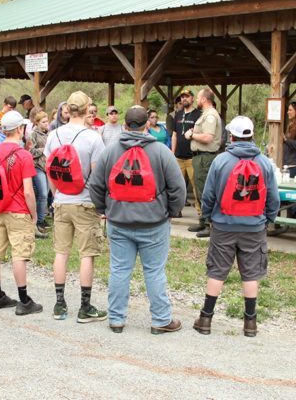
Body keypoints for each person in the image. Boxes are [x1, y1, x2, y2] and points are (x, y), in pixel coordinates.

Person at [89, 106, 186, 334]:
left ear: (124, 125)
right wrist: (171, 211)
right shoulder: (161, 152)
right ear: (147, 126)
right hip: (154, 222)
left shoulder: (110, 151)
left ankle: (116, 319)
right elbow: (178, 188)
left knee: (120, 270)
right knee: (154, 271)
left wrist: (104, 208)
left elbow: (95, 184)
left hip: (119, 221)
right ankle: (161, 320)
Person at [193, 116, 279, 337]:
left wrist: (209, 218)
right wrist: (268, 219)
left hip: (223, 225)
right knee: (250, 274)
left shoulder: (220, 161)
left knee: (217, 271)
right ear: (251, 135)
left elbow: (209, 195)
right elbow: (273, 198)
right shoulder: (265, 163)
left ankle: (205, 319)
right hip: (254, 226)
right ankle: (250, 323)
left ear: (231, 136)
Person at [43, 91, 107, 322]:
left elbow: (50, 170)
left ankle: (59, 305)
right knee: (86, 254)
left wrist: (56, 193)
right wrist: (101, 204)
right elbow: (97, 173)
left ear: (68, 110)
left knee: (61, 253)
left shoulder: (54, 135)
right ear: (87, 109)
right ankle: (85, 307)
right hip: (85, 202)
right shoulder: (93, 138)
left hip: (61, 201)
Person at [0, 111, 41, 316]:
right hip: (18, 210)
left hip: (0, 208)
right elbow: (28, 190)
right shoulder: (23, 155)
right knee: (19, 254)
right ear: (20, 129)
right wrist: (34, 214)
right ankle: (24, 300)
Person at [187, 88, 223, 238]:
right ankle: (203, 221)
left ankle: (209, 224)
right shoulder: (206, 114)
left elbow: (208, 138)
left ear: (204, 99)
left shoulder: (210, 115)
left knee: (205, 190)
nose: (196, 100)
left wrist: (191, 135)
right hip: (199, 157)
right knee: (199, 189)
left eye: (198, 98)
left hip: (205, 157)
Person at [171, 90, 201, 217]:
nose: (184, 99)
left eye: (187, 96)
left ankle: (201, 213)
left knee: (196, 187)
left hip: (192, 157)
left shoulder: (199, 115)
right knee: (177, 186)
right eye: (182, 97)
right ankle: (177, 210)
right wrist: (172, 154)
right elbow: (174, 135)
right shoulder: (178, 114)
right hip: (178, 157)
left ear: (193, 99)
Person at [28, 109, 51, 233]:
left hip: (47, 167)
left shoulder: (49, 134)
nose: (46, 124)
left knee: (46, 194)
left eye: (47, 121)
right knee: (42, 193)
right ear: (37, 123)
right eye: (43, 122)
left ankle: (42, 219)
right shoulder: (33, 135)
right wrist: (44, 149)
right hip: (37, 167)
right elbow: (30, 152)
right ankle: (37, 221)